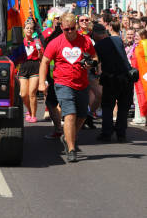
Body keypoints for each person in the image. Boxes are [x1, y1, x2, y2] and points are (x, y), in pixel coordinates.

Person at [39, 12, 97, 163]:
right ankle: (71, 149)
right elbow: (45, 62)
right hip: (63, 83)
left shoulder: (85, 41)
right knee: (70, 114)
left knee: (83, 115)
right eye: (66, 29)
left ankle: (67, 136)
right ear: (62, 28)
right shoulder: (55, 42)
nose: (70, 32)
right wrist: (41, 82)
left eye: (72, 29)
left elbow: (94, 57)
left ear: (76, 27)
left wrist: (91, 63)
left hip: (82, 83)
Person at [92, 22, 134, 142]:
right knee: (123, 107)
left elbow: (95, 62)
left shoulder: (98, 46)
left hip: (111, 79)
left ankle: (106, 133)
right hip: (127, 78)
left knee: (107, 107)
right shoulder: (117, 40)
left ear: (95, 35)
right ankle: (121, 134)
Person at [18, 19, 43, 122]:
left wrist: (39, 50)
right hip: (23, 67)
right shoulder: (20, 42)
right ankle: (29, 110)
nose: (29, 30)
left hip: (35, 67)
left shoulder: (37, 41)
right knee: (23, 94)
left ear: (34, 31)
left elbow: (41, 56)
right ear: (24, 30)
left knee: (32, 92)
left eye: (31, 28)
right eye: (27, 28)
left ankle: (33, 115)